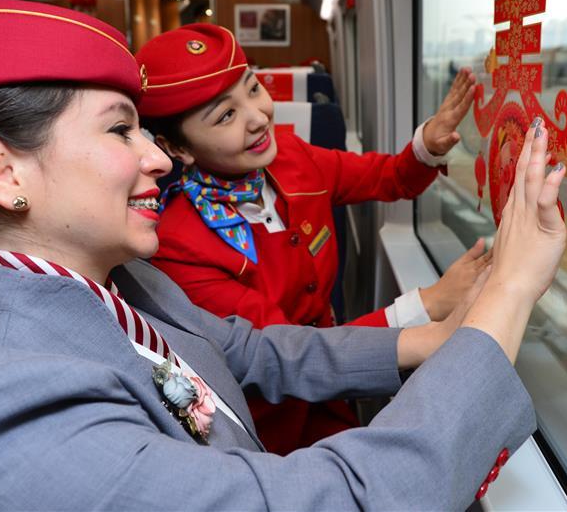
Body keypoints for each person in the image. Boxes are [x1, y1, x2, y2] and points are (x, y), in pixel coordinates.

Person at [0, 0, 567, 510]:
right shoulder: (2, 421)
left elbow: (256, 353)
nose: (158, 162)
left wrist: (440, 335)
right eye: (121, 132)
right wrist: (508, 290)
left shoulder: (121, 284)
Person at [136, 24, 492, 453]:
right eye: (226, 116)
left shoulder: (293, 157)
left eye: (253, 89)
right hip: (269, 426)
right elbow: (283, 352)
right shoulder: (177, 244)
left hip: (336, 395)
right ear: (176, 149)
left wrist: (428, 144)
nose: (257, 116)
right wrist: (426, 304)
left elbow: (389, 177)